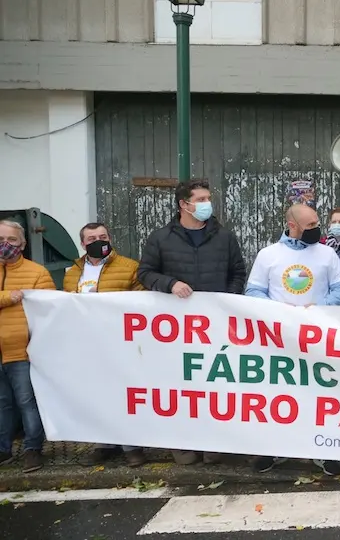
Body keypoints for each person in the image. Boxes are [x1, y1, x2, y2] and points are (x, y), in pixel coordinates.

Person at [137, 179, 247, 465]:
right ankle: (183, 443)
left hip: (215, 327)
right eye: (199, 199)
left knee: (214, 383)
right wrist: (170, 283)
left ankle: (214, 442)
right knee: (180, 385)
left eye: (207, 198)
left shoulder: (224, 237)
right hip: (177, 329)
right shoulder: (161, 238)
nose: (206, 203)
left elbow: (237, 272)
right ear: (183, 204)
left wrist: (227, 301)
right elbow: (145, 273)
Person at [245, 203, 340, 475]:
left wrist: (316, 312)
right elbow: (253, 291)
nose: (317, 229)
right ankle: (276, 449)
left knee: (319, 394)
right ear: (293, 226)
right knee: (280, 394)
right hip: (279, 340)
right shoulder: (268, 255)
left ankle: (323, 451)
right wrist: (280, 314)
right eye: (311, 225)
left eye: (317, 223)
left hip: (317, 338)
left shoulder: (327, 254)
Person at [65, 223, 148, 468]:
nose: (98, 241)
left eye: (103, 236)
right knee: (96, 392)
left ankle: (131, 445)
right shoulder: (72, 272)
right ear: (83, 243)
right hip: (87, 343)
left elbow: (142, 300)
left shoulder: (129, 266)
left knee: (123, 392)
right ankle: (103, 443)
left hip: (119, 340)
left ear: (110, 238)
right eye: (92, 238)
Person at [0, 220, 56, 473]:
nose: (6, 245)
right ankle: (4, 450)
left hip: (22, 351)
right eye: (1, 239)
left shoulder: (37, 273)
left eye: (11, 240)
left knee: (27, 401)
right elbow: (9, 298)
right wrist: (7, 297)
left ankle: (33, 449)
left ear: (22, 244)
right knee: (3, 403)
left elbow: (49, 310)